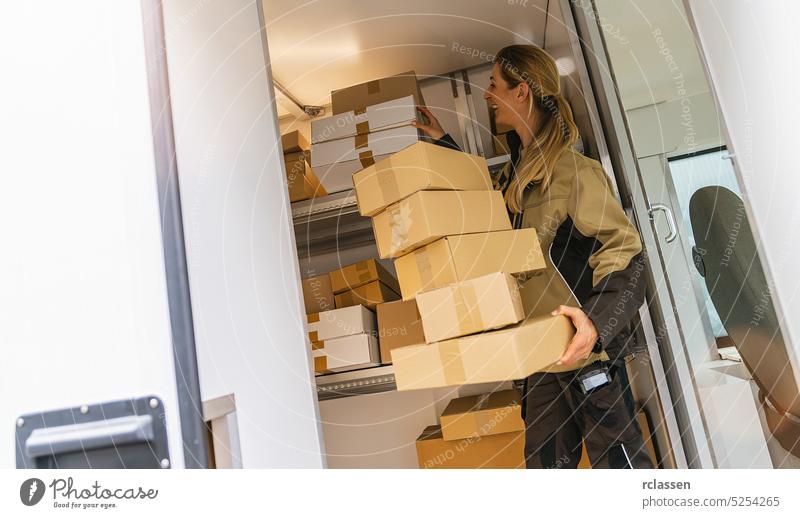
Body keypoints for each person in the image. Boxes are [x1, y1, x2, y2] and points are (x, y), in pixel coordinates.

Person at [412, 45, 653, 469]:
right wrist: (442, 143)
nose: (487, 95)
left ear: (521, 91)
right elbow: (481, 203)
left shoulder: (573, 172)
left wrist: (595, 324)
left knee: (622, 474)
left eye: (493, 85)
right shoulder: (514, 178)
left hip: (585, 357)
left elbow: (625, 253)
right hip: (539, 359)